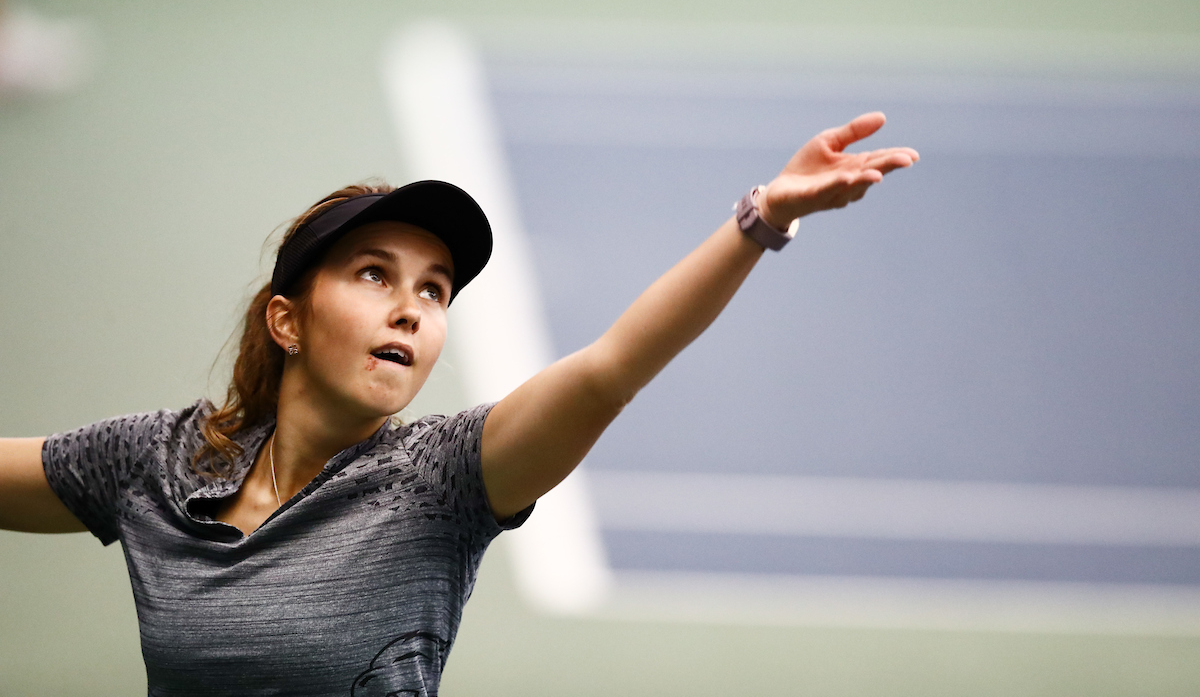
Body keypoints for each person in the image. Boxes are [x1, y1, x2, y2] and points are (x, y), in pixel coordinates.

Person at [0, 111, 917, 695]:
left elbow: (608, 371)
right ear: (287, 318)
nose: (411, 306)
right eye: (374, 275)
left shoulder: (438, 482)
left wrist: (760, 223)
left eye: (435, 290)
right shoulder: (157, 466)